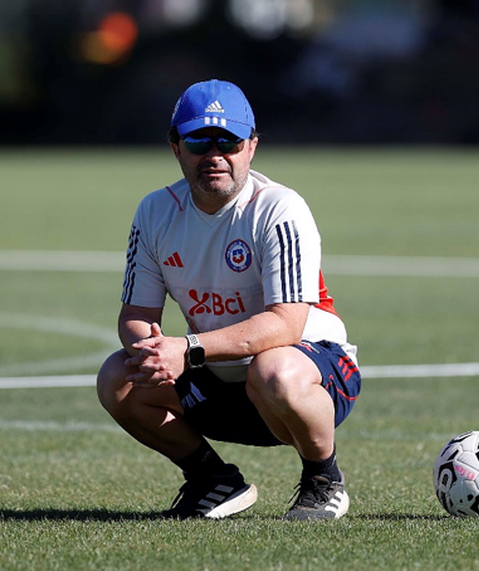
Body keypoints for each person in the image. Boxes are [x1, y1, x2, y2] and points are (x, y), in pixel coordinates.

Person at [96, 79, 361, 521]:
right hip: (215, 375)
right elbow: (138, 314)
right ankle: (213, 481)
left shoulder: (280, 208)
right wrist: (151, 350)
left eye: (229, 141)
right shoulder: (155, 212)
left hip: (308, 370)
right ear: (176, 147)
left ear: (252, 147)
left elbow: (285, 325)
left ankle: (323, 479)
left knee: (272, 368)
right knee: (117, 377)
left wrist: (186, 348)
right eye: (200, 140)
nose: (214, 154)